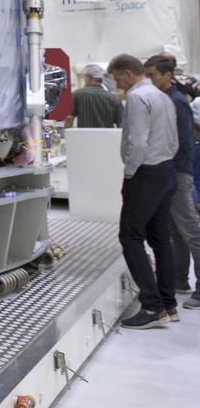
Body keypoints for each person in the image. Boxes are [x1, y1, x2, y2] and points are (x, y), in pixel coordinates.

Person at [108, 53, 178, 329]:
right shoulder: (162, 96)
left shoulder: (137, 98)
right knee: (160, 237)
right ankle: (167, 303)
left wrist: (130, 171)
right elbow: (173, 140)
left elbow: (137, 141)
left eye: (117, 79)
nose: (118, 85)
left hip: (145, 173)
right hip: (165, 170)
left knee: (130, 236)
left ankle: (151, 307)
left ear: (127, 73)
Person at [144, 55, 200, 310]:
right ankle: (179, 280)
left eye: (153, 75)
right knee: (176, 231)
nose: (151, 80)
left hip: (177, 173)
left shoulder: (176, 101)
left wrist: (170, 168)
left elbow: (184, 142)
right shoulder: (166, 99)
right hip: (170, 172)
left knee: (189, 230)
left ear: (167, 75)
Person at [65, 64, 123, 128]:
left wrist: (67, 135)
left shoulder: (77, 94)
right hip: (107, 137)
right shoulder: (114, 98)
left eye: (85, 77)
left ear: (88, 78)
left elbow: (69, 118)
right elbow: (121, 124)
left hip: (83, 137)